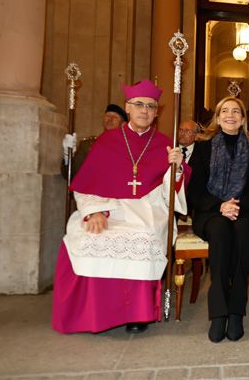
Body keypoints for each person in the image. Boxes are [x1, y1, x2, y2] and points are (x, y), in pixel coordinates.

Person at [52, 79, 189, 334]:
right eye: (139, 105)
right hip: (110, 207)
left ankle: (138, 313)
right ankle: (98, 312)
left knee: (143, 237)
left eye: (150, 106)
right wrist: (95, 211)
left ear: (157, 112)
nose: (144, 111)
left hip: (149, 208)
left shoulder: (165, 144)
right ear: (128, 107)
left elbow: (172, 195)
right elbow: (88, 184)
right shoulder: (106, 142)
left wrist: (176, 167)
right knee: (84, 236)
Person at [186, 97, 249, 343]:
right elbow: (195, 189)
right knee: (221, 231)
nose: (230, 115)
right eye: (225, 111)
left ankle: (236, 312)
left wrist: (236, 207)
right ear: (218, 117)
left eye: (236, 111)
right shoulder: (203, 146)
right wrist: (220, 205)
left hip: (246, 212)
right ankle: (219, 314)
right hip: (211, 212)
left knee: (243, 231)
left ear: (243, 119)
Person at [61, 104, 128, 179]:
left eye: (115, 117)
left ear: (123, 125)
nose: (110, 119)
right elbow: (72, 175)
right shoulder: (87, 145)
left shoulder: (128, 149)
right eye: (107, 116)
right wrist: (68, 154)